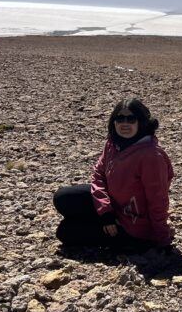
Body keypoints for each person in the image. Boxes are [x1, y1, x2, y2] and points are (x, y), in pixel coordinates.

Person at [53, 98, 174, 250]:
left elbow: (157, 199)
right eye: (120, 118)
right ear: (114, 121)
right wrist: (106, 213)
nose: (125, 123)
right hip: (113, 205)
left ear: (141, 122)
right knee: (63, 198)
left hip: (132, 223)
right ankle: (102, 221)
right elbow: (98, 175)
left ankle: (125, 236)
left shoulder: (151, 155)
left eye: (131, 119)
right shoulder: (113, 144)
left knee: (65, 232)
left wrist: (161, 238)